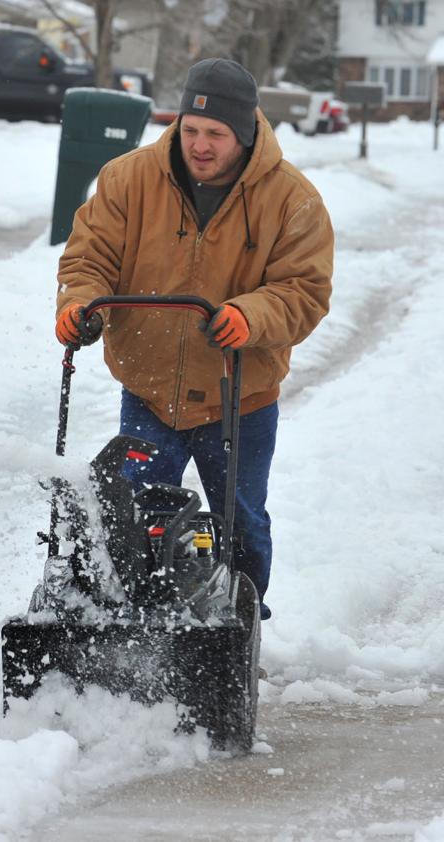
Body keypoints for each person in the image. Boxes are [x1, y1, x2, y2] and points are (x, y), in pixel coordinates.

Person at [53, 58, 333, 620]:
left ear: (245, 133)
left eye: (216, 134)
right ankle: (137, 618)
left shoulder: (291, 199)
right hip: (150, 388)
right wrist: (79, 304)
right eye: (191, 130)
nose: (200, 145)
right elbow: (89, 256)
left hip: (240, 396)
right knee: (134, 512)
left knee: (242, 519)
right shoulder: (128, 179)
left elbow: (304, 290)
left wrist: (250, 316)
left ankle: (242, 622)